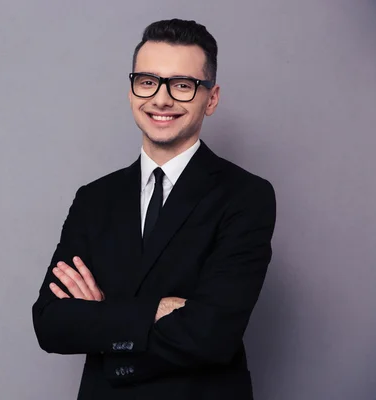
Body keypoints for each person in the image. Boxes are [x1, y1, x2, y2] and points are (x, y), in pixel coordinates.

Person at [32, 18, 276, 400]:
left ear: (210, 99)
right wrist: (159, 309)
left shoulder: (246, 196)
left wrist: (104, 321)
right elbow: (50, 323)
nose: (161, 99)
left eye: (182, 85)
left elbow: (211, 334)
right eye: (148, 81)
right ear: (132, 91)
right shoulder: (94, 198)